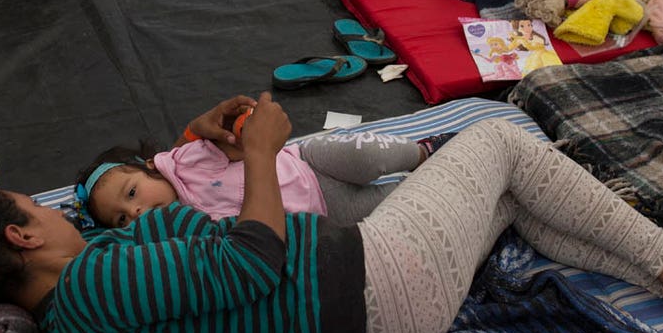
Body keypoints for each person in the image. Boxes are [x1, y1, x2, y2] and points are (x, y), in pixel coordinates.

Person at [0, 91, 663, 333]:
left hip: (369, 299)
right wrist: (267, 147)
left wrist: (201, 151)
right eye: (41, 210)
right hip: (374, 290)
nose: (60, 210)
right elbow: (249, 260)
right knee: (496, 143)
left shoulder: (84, 315)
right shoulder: (93, 288)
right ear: (20, 237)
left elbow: (190, 243)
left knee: (505, 199)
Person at [72, 94, 447, 228]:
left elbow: (235, 146)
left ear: (151, 165)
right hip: (322, 212)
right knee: (395, 201)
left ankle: (423, 151)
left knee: (366, 154)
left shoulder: (185, 160)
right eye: (122, 217)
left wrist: (240, 129)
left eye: (132, 192)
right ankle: (442, 175)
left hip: (306, 162)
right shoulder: (179, 233)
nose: (135, 211)